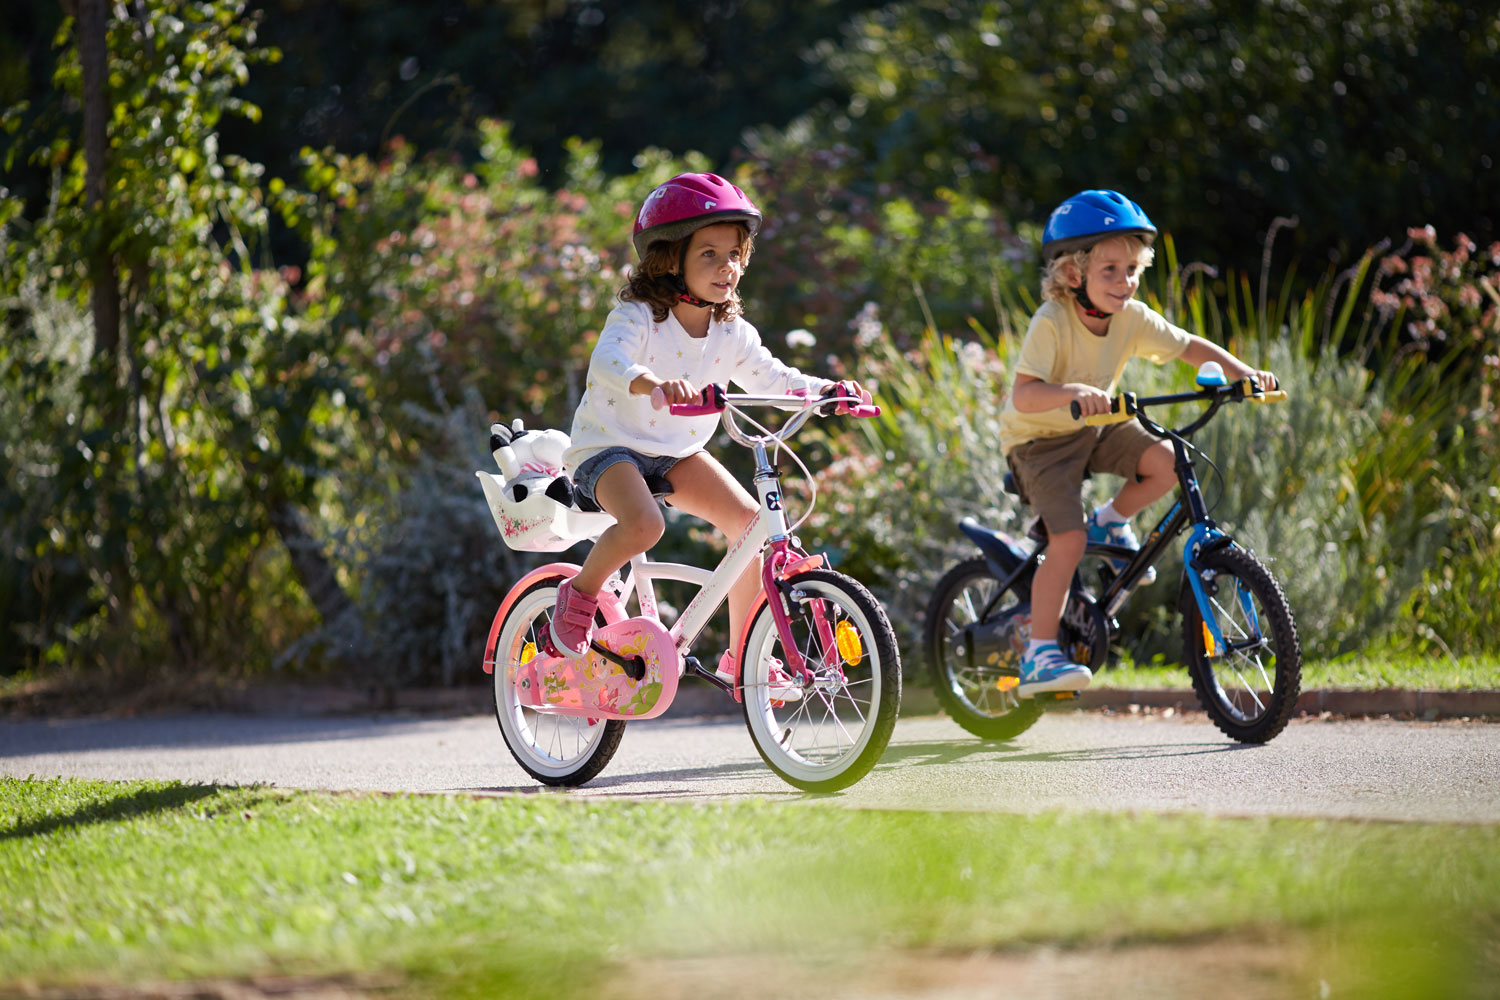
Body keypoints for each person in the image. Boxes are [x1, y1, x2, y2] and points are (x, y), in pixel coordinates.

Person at [551, 171, 866, 700]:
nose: (728, 268)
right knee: (644, 523)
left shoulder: (731, 332)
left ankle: (745, 656)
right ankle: (579, 593)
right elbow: (609, 361)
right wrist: (651, 384)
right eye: (710, 255)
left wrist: (827, 391)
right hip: (609, 445)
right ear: (670, 258)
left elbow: (773, 377)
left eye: (736, 255)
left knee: (750, 527)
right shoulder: (639, 315)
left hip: (675, 452)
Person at [999, 189, 1276, 698]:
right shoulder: (1052, 322)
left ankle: (1113, 519)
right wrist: (1075, 393)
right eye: (1110, 270)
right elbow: (1024, 395)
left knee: (1169, 462)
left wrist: (1244, 375)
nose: (1124, 282)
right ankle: (1039, 652)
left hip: (1096, 426)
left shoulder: (1131, 318)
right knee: (1069, 541)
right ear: (1071, 274)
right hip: (1040, 442)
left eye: (1132, 270)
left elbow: (1187, 344)